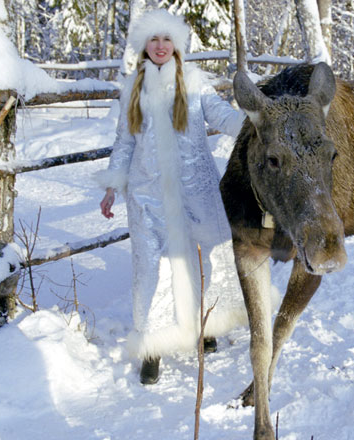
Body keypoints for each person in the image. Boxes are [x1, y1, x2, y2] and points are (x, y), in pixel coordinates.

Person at [97, 9, 247, 385]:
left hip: (196, 189)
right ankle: (153, 347)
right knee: (151, 269)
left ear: (176, 45)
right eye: (154, 39)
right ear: (144, 46)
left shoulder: (194, 82)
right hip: (147, 194)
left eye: (167, 39)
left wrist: (256, 123)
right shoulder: (132, 87)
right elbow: (124, 141)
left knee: (205, 261)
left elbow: (221, 116)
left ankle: (207, 325)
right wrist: (113, 185)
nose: (161, 46)